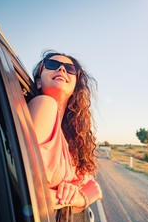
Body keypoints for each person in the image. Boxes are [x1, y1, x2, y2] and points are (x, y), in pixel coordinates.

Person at [28, 50, 102, 213]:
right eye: (53, 65)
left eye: (70, 69)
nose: (61, 69)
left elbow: (90, 186)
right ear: (39, 82)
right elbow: (28, 196)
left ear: (76, 86)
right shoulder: (44, 105)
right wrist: (81, 198)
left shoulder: (72, 143)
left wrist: (73, 192)